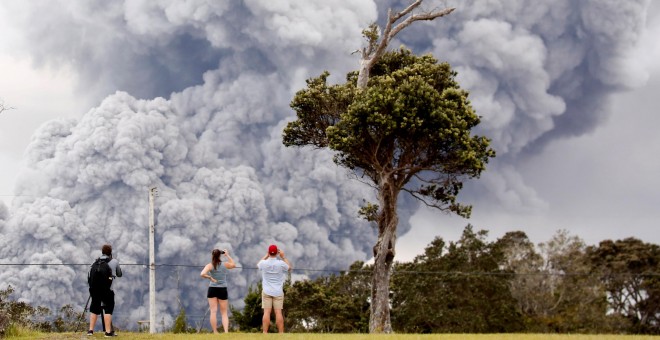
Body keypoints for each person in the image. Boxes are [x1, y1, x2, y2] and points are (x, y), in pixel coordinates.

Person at [88, 244, 122, 337]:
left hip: (95, 290)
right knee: (108, 309)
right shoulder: (114, 261)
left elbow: (90, 274)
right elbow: (119, 274)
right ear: (110, 253)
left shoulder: (95, 262)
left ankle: (90, 331)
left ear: (102, 252)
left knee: (94, 309)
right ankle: (108, 332)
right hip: (107, 290)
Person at [257, 244, 292, 333]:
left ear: (269, 252)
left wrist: (266, 255)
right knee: (278, 313)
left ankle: (265, 333)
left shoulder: (263, 263)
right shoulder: (280, 264)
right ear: (277, 253)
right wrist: (283, 257)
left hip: (266, 291)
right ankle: (281, 333)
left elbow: (258, 264)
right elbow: (289, 268)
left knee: (266, 312)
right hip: (278, 292)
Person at [200, 248, 236, 333]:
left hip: (212, 289)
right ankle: (226, 332)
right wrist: (227, 255)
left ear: (212, 255)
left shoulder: (209, 265)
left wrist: (210, 277)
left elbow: (202, 274)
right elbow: (233, 265)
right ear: (220, 255)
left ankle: (215, 332)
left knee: (213, 311)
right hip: (222, 289)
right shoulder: (225, 264)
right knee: (224, 313)